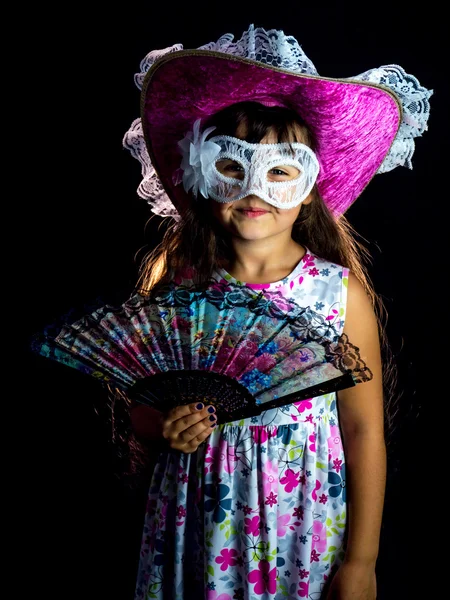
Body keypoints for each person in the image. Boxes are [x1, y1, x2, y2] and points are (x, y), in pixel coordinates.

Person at [119, 24, 432, 600]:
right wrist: (163, 427)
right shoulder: (177, 290)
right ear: (199, 173)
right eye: (233, 167)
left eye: (281, 170)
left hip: (303, 525)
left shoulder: (339, 296)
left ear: (309, 187)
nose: (255, 188)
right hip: (197, 519)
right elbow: (142, 407)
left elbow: (363, 430)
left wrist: (361, 562)